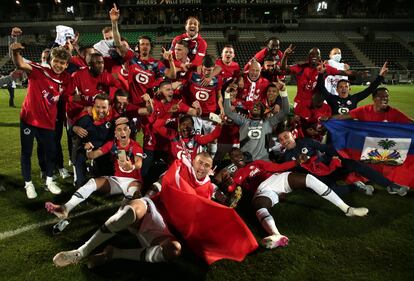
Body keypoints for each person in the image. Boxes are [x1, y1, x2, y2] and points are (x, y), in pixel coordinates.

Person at [228, 148, 368, 249]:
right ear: (232, 160)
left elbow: (278, 167)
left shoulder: (257, 163)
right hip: (263, 190)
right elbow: (233, 190)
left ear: (243, 155)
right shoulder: (236, 175)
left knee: (309, 179)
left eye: (239, 154)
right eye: (234, 156)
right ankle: (276, 235)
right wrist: (229, 186)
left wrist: (296, 163)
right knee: (259, 207)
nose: (238, 157)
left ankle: (347, 209)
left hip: (276, 179)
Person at [45, 117, 144, 220]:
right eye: (119, 130)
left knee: (129, 200)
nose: (122, 132)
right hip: (117, 181)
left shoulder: (135, 146)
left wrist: (131, 166)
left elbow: (139, 163)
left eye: (125, 129)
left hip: (133, 181)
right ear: (115, 133)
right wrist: (89, 149)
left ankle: (120, 218)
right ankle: (65, 208)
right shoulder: (111, 144)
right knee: (92, 182)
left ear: (129, 131)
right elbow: (92, 156)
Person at [11, 43, 72, 199]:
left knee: (50, 152)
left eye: (62, 63)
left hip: (48, 122)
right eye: (56, 61)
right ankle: (28, 184)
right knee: (27, 152)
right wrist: (14, 50)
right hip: (29, 120)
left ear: (66, 65)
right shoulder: (38, 70)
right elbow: (20, 63)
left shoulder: (66, 79)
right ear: (51, 60)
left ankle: (49, 180)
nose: (58, 65)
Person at [52, 196, 181, 267]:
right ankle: (80, 252)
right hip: (153, 210)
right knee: (129, 213)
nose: (202, 167)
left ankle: (114, 253)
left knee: (173, 249)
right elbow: (159, 183)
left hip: (162, 231)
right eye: (200, 163)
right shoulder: (181, 166)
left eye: (203, 164)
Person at [277, 129, 410, 196]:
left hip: (330, 168)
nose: (285, 140)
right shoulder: (287, 157)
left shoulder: (306, 142)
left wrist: (336, 156)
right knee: (331, 192)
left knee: (354, 164)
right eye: (281, 140)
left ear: (292, 135)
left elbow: (327, 149)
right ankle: (356, 187)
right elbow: (291, 176)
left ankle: (390, 185)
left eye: (286, 136)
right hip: (318, 179)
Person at [224, 81, 289, 161]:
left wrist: (283, 91)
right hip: (245, 161)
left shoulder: (268, 122)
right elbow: (228, 112)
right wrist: (227, 93)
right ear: (250, 110)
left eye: (258, 106)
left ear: (263, 111)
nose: (255, 107)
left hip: (263, 162)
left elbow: (285, 111)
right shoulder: (243, 121)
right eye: (253, 106)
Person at [71, 94, 115, 187]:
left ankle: (96, 169)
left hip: (103, 150)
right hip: (85, 149)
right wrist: (74, 128)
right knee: (80, 182)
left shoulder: (113, 120)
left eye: (104, 107)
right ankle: (80, 180)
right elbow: (71, 133)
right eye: (98, 107)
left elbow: (111, 140)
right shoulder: (86, 119)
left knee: (106, 181)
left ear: (109, 107)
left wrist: (100, 150)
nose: (101, 110)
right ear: (93, 106)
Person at [318, 62, 389, 115]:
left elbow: (369, 90)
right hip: (336, 132)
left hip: (349, 131)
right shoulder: (332, 99)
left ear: (349, 89)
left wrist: (380, 76)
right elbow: (321, 87)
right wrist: (321, 74)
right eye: (341, 87)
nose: (344, 89)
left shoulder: (354, 98)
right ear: (337, 90)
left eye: (346, 86)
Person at [333, 87, 414, 123]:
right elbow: (343, 116)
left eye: (386, 96)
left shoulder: (394, 112)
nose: (384, 98)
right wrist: (328, 118)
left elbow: (410, 122)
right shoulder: (364, 110)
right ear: (374, 98)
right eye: (380, 96)